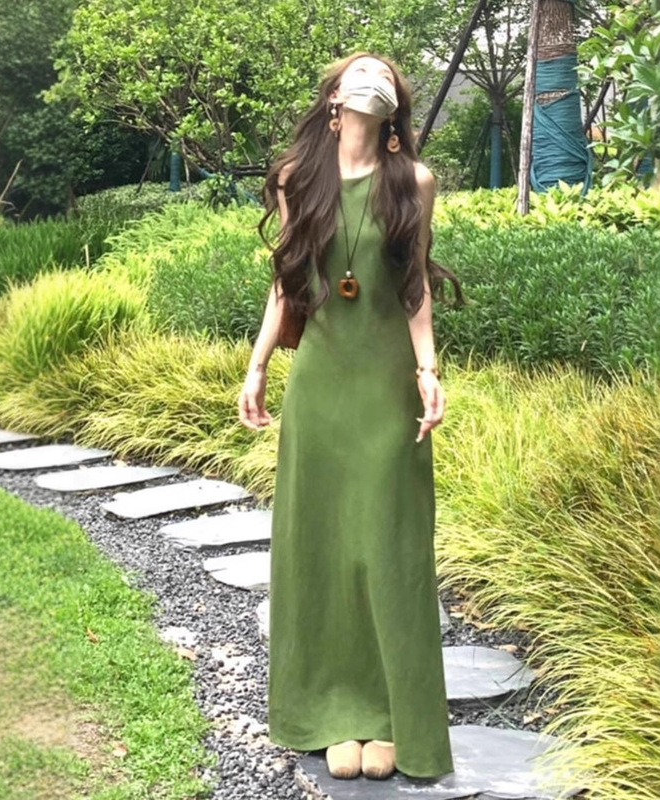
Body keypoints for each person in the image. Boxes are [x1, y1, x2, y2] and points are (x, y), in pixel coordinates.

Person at [238, 50, 465, 782]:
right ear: (334, 99)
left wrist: (429, 372)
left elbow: (414, 285)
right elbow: (285, 282)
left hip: (387, 386)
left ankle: (390, 715)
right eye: (357, 72)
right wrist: (258, 365)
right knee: (323, 546)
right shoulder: (296, 178)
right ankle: (332, 711)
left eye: (385, 74)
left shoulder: (413, 182)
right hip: (321, 385)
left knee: (389, 546)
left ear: (394, 106)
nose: (372, 79)